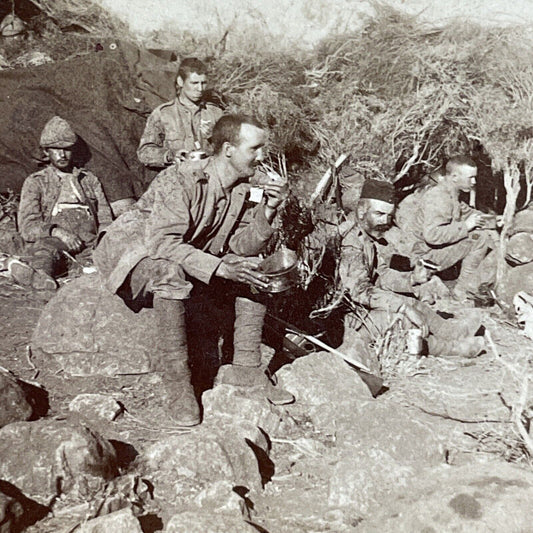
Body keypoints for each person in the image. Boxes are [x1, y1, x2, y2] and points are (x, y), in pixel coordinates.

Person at [94, 114, 294, 427]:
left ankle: (246, 370)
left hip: (178, 249)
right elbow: (163, 245)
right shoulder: (181, 179)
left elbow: (242, 246)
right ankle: (177, 385)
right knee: (170, 272)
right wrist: (221, 269)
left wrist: (268, 210)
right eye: (254, 148)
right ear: (228, 149)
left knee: (254, 268)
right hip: (133, 251)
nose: (262, 156)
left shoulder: (241, 188)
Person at [338, 179, 485, 372]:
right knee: (403, 319)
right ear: (361, 211)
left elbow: (382, 277)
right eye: (379, 214)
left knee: (414, 304)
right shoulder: (350, 243)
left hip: (360, 309)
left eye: (388, 216)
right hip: (348, 320)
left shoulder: (367, 237)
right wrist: (403, 308)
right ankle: (452, 348)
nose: (384, 221)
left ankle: (452, 332)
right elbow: (360, 291)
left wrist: (412, 279)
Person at [16, 116, 113, 289]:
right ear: (46, 152)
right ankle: (40, 278)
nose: (62, 155)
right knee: (45, 251)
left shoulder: (89, 180)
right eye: (55, 149)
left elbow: (105, 218)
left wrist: (103, 239)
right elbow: (27, 226)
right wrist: (57, 232)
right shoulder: (36, 182)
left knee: (107, 260)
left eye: (66, 149)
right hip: (55, 241)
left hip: (89, 243)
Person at [398, 155, 497, 301]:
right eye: (470, 177)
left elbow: (467, 213)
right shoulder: (439, 197)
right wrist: (466, 226)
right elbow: (432, 235)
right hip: (420, 257)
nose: (474, 182)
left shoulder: (451, 194)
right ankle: (463, 291)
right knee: (479, 239)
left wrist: (495, 221)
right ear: (455, 177)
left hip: (427, 252)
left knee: (479, 234)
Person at [137, 57, 223, 169]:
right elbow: (144, 152)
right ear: (180, 82)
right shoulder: (163, 114)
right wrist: (170, 155)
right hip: (177, 179)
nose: (200, 88)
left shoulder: (215, 112)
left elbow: (231, 151)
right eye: (194, 83)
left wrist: (213, 137)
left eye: (203, 83)